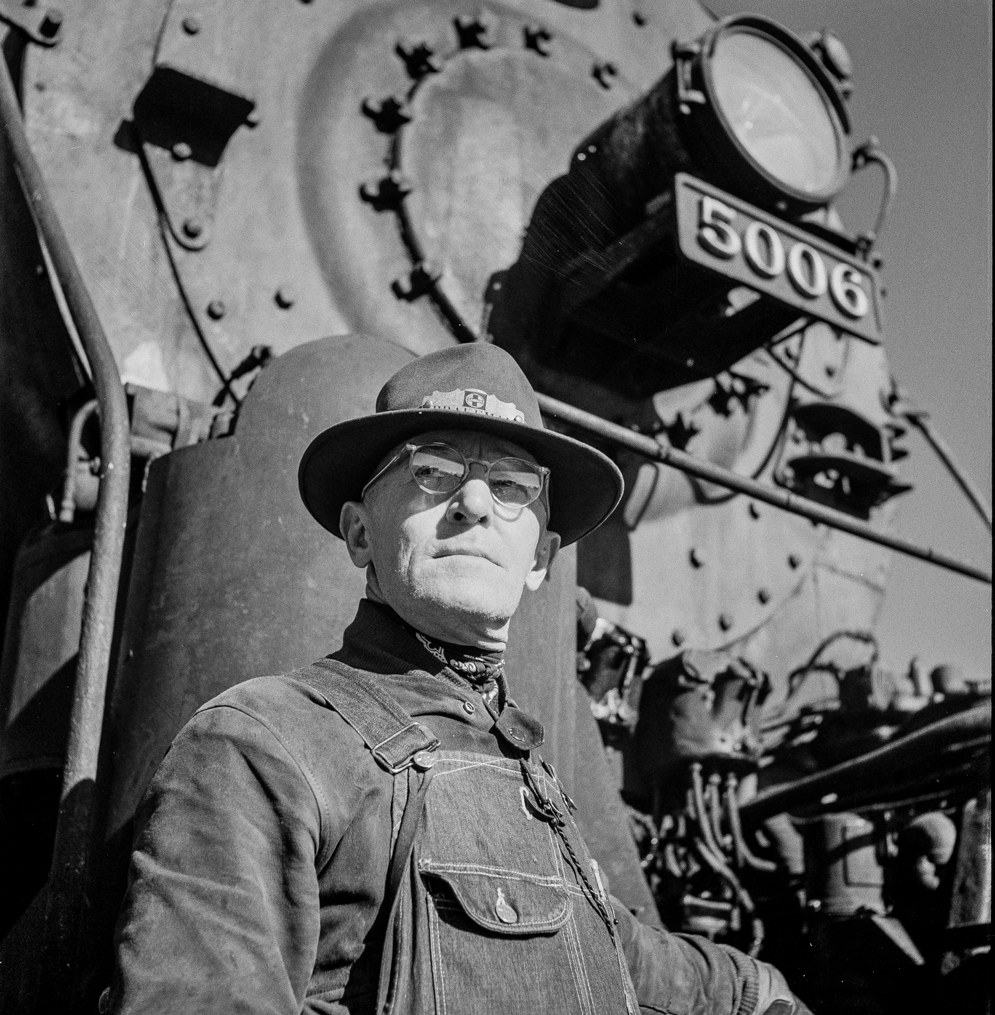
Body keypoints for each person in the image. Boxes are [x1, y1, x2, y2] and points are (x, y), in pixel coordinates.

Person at [105, 342, 810, 1015]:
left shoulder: (529, 774)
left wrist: (757, 992)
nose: (474, 504)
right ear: (358, 534)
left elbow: (619, 954)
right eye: (431, 472)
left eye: (510, 486)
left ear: (540, 558)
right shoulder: (263, 743)